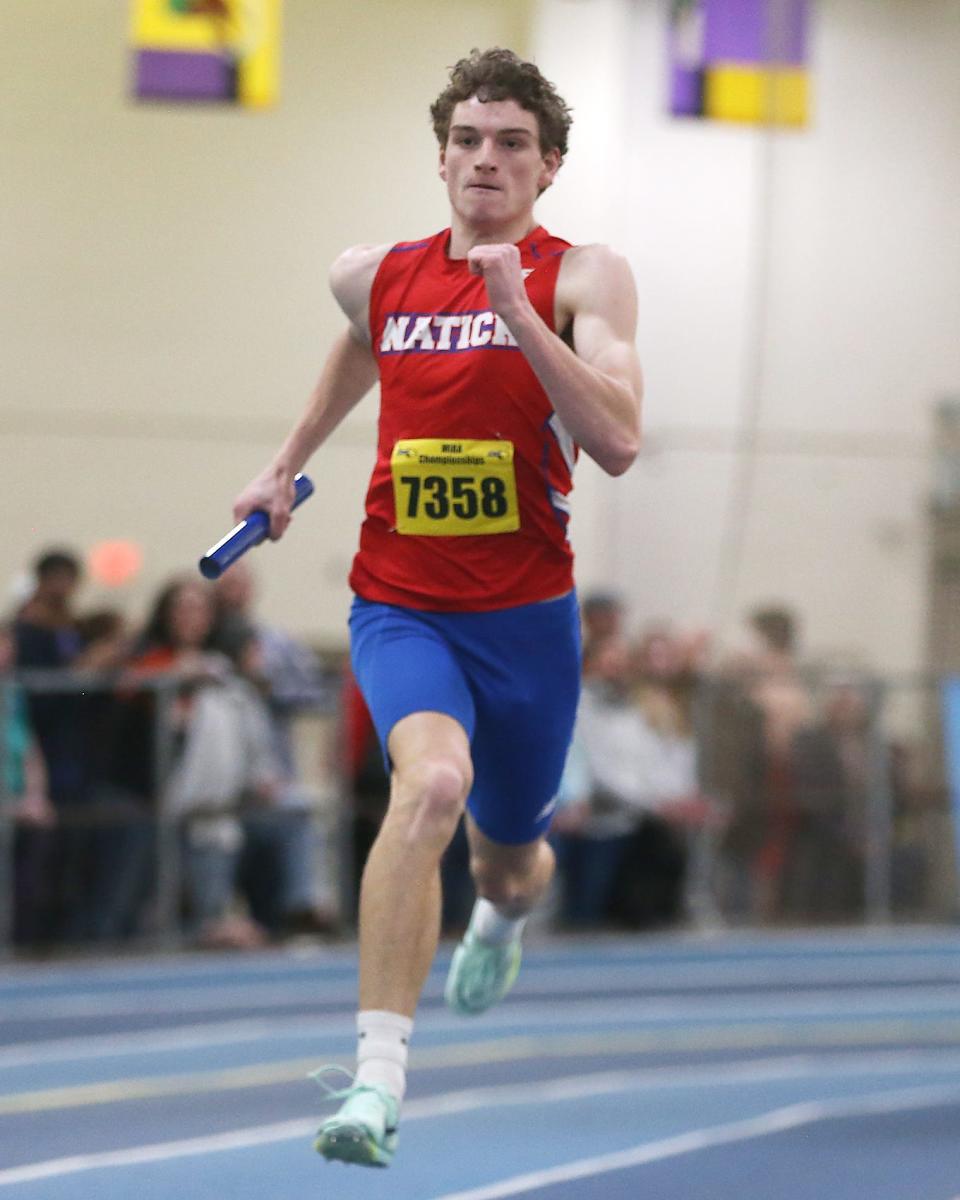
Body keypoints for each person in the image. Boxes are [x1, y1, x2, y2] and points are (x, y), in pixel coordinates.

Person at [232, 47, 642, 1167]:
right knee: (432, 785)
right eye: (468, 140)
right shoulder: (377, 274)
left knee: (511, 855)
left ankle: (504, 916)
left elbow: (615, 441)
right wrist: (283, 466)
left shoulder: (582, 276)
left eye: (512, 144)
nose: (485, 162)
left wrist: (519, 313)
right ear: (443, 155)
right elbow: (362, 348)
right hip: (401, 603)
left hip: (526, 622)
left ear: (548, 166)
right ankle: (375, 1081)